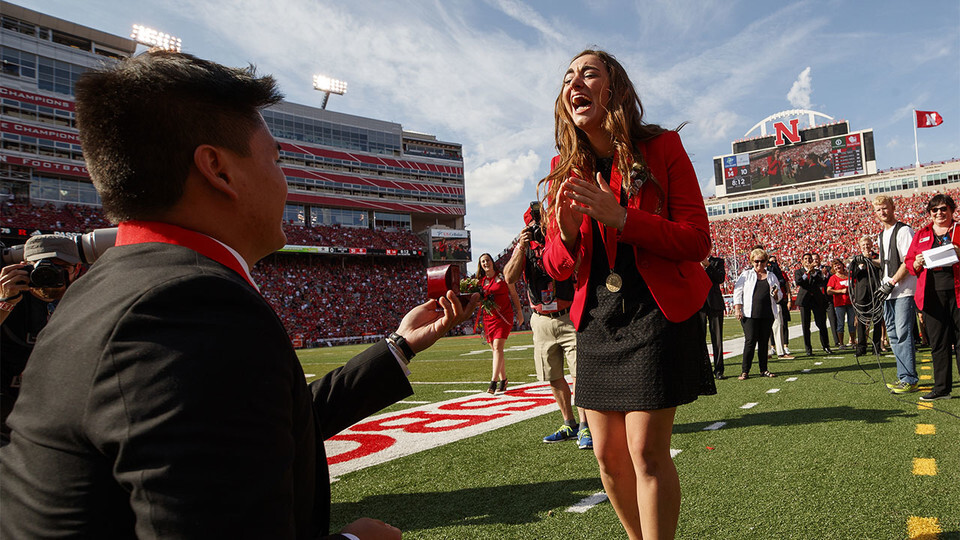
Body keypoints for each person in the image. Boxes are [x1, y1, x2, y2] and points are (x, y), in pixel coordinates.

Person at [0, 51, 478, 539]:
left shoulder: (103, 294)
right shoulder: (190, 308)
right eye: (275, 159)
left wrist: (400, 346)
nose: (285, 183)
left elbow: (258, 427)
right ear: (218, 169)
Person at [540, 49, 716, 540]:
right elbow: (555, 265)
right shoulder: (563, 168)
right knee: (606, 456)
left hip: (654, 313)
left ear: (614, 88)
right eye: (568, 76)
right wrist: (570, 233)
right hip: (597, 321)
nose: (575, 82)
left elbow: (697, 240)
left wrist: (623, 218)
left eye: (588, 72)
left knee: (644, 450)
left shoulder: (662, 148)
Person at [504, 205, 590, 448]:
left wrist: (552, 238)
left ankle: (585, 426)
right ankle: (569, 423)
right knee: (552, 375)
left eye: (541, 224)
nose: (537, 229)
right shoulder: (524, 248)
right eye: (532, 226)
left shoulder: (559, 239)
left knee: (578, 373)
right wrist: (522, 245)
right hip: (541, 319)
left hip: (568, 314)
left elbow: (573, 264)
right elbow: (509, 276)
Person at [0, 235, 83, 446]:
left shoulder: (86, 300)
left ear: (77, 269)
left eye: (60, 267)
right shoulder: (8, 296)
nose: (48, 274)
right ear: (23, 267)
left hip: (55, 420)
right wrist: (4, 302)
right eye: (40, 266)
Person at [904, 194, 959, 401]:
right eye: (934, 210)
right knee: (938, 343)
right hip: (931, 296)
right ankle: (942, 388)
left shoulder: (959, 230)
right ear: (930, 213)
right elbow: (909, 262)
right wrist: (916, 263)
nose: (939, 213)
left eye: (943, 209)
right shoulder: (921, 234)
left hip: (958, 293)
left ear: (952, 210)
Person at [873, 194, 919, 394]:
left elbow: (909, 261)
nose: (882, 212)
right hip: (889, 291)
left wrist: (892, 282)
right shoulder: (881, 235)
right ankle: (903, 377)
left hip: (903, 290)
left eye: (885, 208)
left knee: (903, 333)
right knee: (892, 334)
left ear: (892, 207)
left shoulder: (904, 230)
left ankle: (909, 378)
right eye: (878, 210)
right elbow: (886, 263)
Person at [476, 252, 523, 395]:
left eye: (487, 260)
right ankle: (504, 380)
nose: (485, 263)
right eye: (483, 261)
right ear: (481, 265)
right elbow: (478, 301)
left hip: (504, 317)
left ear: (492, 261)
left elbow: (514, 294)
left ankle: (493, 382)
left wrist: (520, 312)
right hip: (488, 318)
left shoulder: (503, 277)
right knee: (496, 350)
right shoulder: (480, 282)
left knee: (497, 347)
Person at [733, 248, 782, 379]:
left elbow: (780, 295)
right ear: (752, 261)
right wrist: (738, 308)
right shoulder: (746, 275)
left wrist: (777, 294)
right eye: (756, 261)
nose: (759, 264)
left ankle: (763, 369)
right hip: (749, 314)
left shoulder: (772, 276)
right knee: (750, 341)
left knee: (763, 341)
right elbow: (738, 292)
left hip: (767, 313)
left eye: (762, 261)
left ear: (766, 261)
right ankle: (745, 370)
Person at [849, 235, 884, 356]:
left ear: (871, 245)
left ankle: (876, 348)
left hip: (876, 292)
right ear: (860, 247)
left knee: (877, 321)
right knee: (861, 322)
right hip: (861, 294)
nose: (866, 247)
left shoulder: (878, 257)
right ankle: (861, 349)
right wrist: (861, 265)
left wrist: (870, 260)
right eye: (863, 245)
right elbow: (852, 275)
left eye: (867, 244)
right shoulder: (856, 259)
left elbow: (882, 269)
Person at [794, 253, 833, 355]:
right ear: (802, 261)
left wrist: (813, 272)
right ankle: (808, 349)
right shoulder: (798, 271)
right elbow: (800, 282)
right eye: (805, 259)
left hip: (816, 299)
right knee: (805, 325)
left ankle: (826, 346)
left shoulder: (817, 272)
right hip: (804, 300)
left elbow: (821, 281)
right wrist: (807, 272)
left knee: (821, 324)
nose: (808, 260)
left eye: (809, 259)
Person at [701, 256, 727, 378]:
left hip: (715, 302)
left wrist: (708, 265)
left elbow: (720, 278)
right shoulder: (692, 261)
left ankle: (718, 370)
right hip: (698, 304)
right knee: (699, 339)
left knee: (717, 339)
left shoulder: (718, 261)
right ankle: (703, 371)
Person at [767, 254, 793, 359]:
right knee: (766, 328)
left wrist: (788, 299)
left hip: (778, 300)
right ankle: (769, 350)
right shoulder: (755, 272)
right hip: (764, 302)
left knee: (780, 325)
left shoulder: (776, 273)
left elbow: (783, 283)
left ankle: (781, 350)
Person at [827, 258, 855, 349]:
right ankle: (841, 343)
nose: (837, 267)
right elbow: (829, 291)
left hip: (851, 303)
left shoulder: (849, 275)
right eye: (835, 266)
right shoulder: (833, 278)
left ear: (842, 265)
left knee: (852, 323)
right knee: (840, 324)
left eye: (838, 264)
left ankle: (853, 342)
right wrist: (840, 291)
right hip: (839, 304)